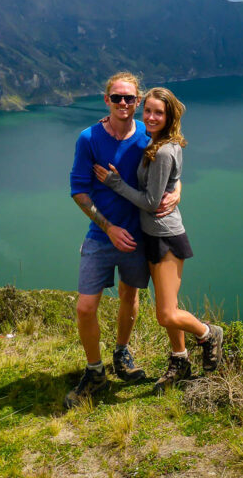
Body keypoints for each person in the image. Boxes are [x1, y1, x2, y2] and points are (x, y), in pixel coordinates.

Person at [94, 87, 223, 394]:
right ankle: (180, 361)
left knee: (165, 313)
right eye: (147, 111)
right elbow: (172, 180)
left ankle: (208, 333)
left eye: (158, 113)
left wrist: (115, 183)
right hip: (150, 236)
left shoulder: (163, 150)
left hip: (165, 237)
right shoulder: (157, 142)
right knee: (169, 308)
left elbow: (152, 202)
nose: (151, 117)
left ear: (169, 117)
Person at [65, 72, 180, 406]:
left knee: (130, 297)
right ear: (107, 100)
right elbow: (78, 189)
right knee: (86, 307)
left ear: (139, 100)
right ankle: (95, 370)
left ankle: (121, 353)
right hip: (102, 236)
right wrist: (108, 227)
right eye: (117, 98)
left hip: (137, 236)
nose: (124, 104)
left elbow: (172, 169)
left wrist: (177, 191)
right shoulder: (89, 138)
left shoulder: (149, 134)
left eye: (130, 98)